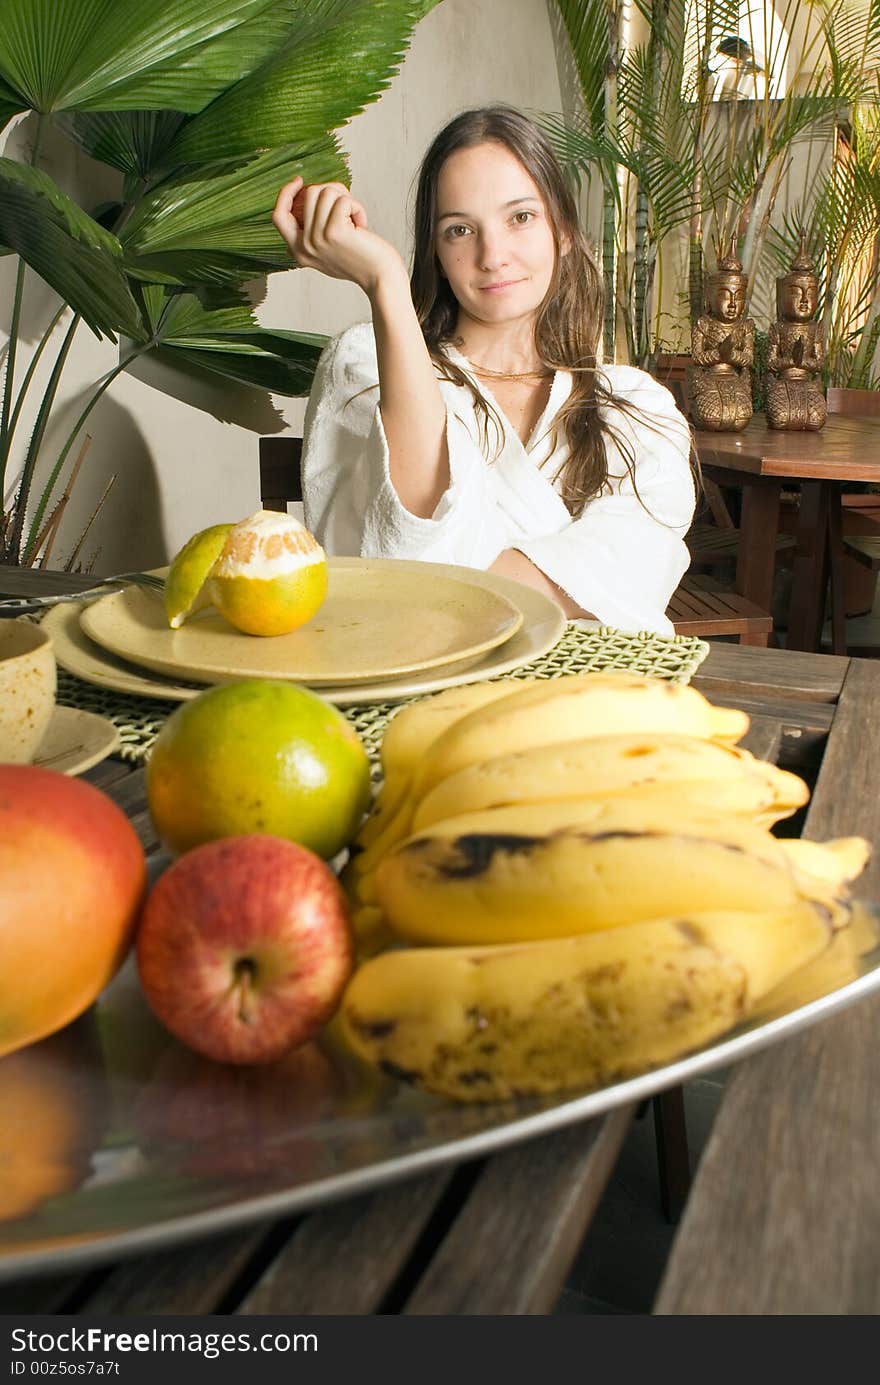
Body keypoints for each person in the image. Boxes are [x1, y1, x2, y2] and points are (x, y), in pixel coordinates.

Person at [272, 106, 695, 636]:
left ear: (562, 230)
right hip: (415, 686)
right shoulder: (366, 361)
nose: (492, 255)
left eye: (520, 217)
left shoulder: (636, 404)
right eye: (459, 230)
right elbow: (406, 552)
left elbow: (642, 564)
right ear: (436, 252)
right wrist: (385, 282)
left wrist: (446, 593)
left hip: (596, 694)